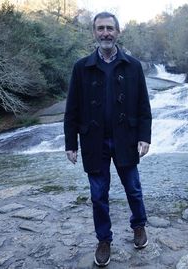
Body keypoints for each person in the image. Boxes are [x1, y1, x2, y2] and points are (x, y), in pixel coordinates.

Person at [63, 11, 152, 267]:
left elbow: (143, 106)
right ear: (94, 33)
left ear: (118, 32)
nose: (105, 33)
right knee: (98, 195)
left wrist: (144, 137)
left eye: (110, 28)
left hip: (126, 137)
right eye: (100, 28)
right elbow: (72, 109)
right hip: (93, 140)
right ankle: (104, 240)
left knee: (133, 189)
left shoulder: (133, 66)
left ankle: (139, 226)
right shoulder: (81, 67)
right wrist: (71, 143)